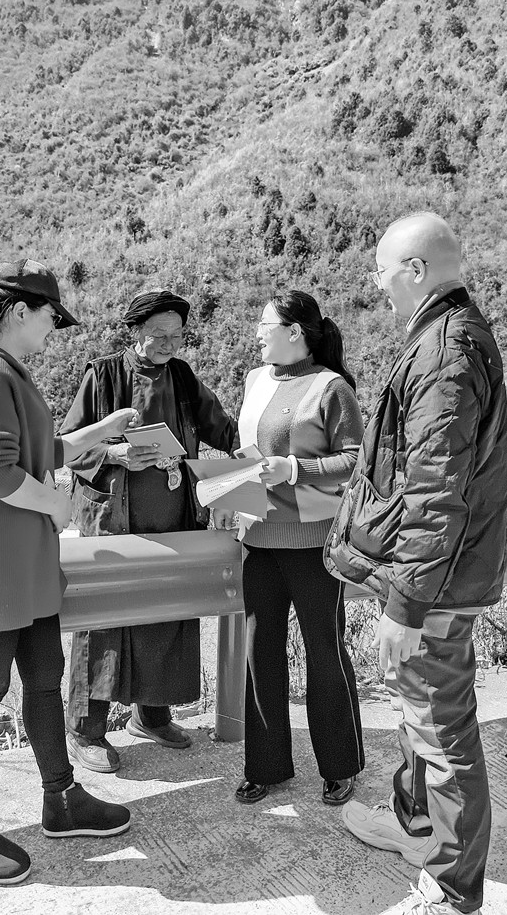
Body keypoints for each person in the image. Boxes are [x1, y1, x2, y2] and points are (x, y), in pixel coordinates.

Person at [0, 259, 137, 886]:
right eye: (52, 315)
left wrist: (101, 433)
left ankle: (62, 798)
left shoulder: (4, 371)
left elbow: (41, 451)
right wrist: (56, 504)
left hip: (24, 571)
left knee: (45, 681)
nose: (55, 327)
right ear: (19, 311)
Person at [337, 214, 507, 915]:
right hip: (442, 573)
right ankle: (416, 828)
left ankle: (451, 888)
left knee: (441, 730)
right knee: (419, 714)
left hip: (435, 583)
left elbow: (436, 491)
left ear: (414, 270)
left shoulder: (444, 351)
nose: (378, 286)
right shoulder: (451, 334)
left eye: (383, 272)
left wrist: (406, 602)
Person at [62, 288, 238, 774]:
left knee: (166, 614)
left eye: (177, 335)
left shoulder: (182, 376)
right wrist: (115, 453)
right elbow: (69, 446)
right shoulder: (102, 375)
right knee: (103, 621)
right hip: (113, 525)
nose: (169, 344)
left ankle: (152, 717)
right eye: (159, 335)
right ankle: (84, 730)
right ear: (135, 331)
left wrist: (262, 444)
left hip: (174, 521)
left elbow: (223, 429)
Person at [226, 289, 365, 807]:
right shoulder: (254, 380)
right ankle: (265, 767)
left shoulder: (331, 388)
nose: (258, 333)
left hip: (314, 542)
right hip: (257, 538)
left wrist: (293, 469)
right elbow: (246, 449)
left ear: (294, 331)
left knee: (323, 651)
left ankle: (340, 765)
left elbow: (356, 461)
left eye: (266, 325)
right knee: (259, 653)